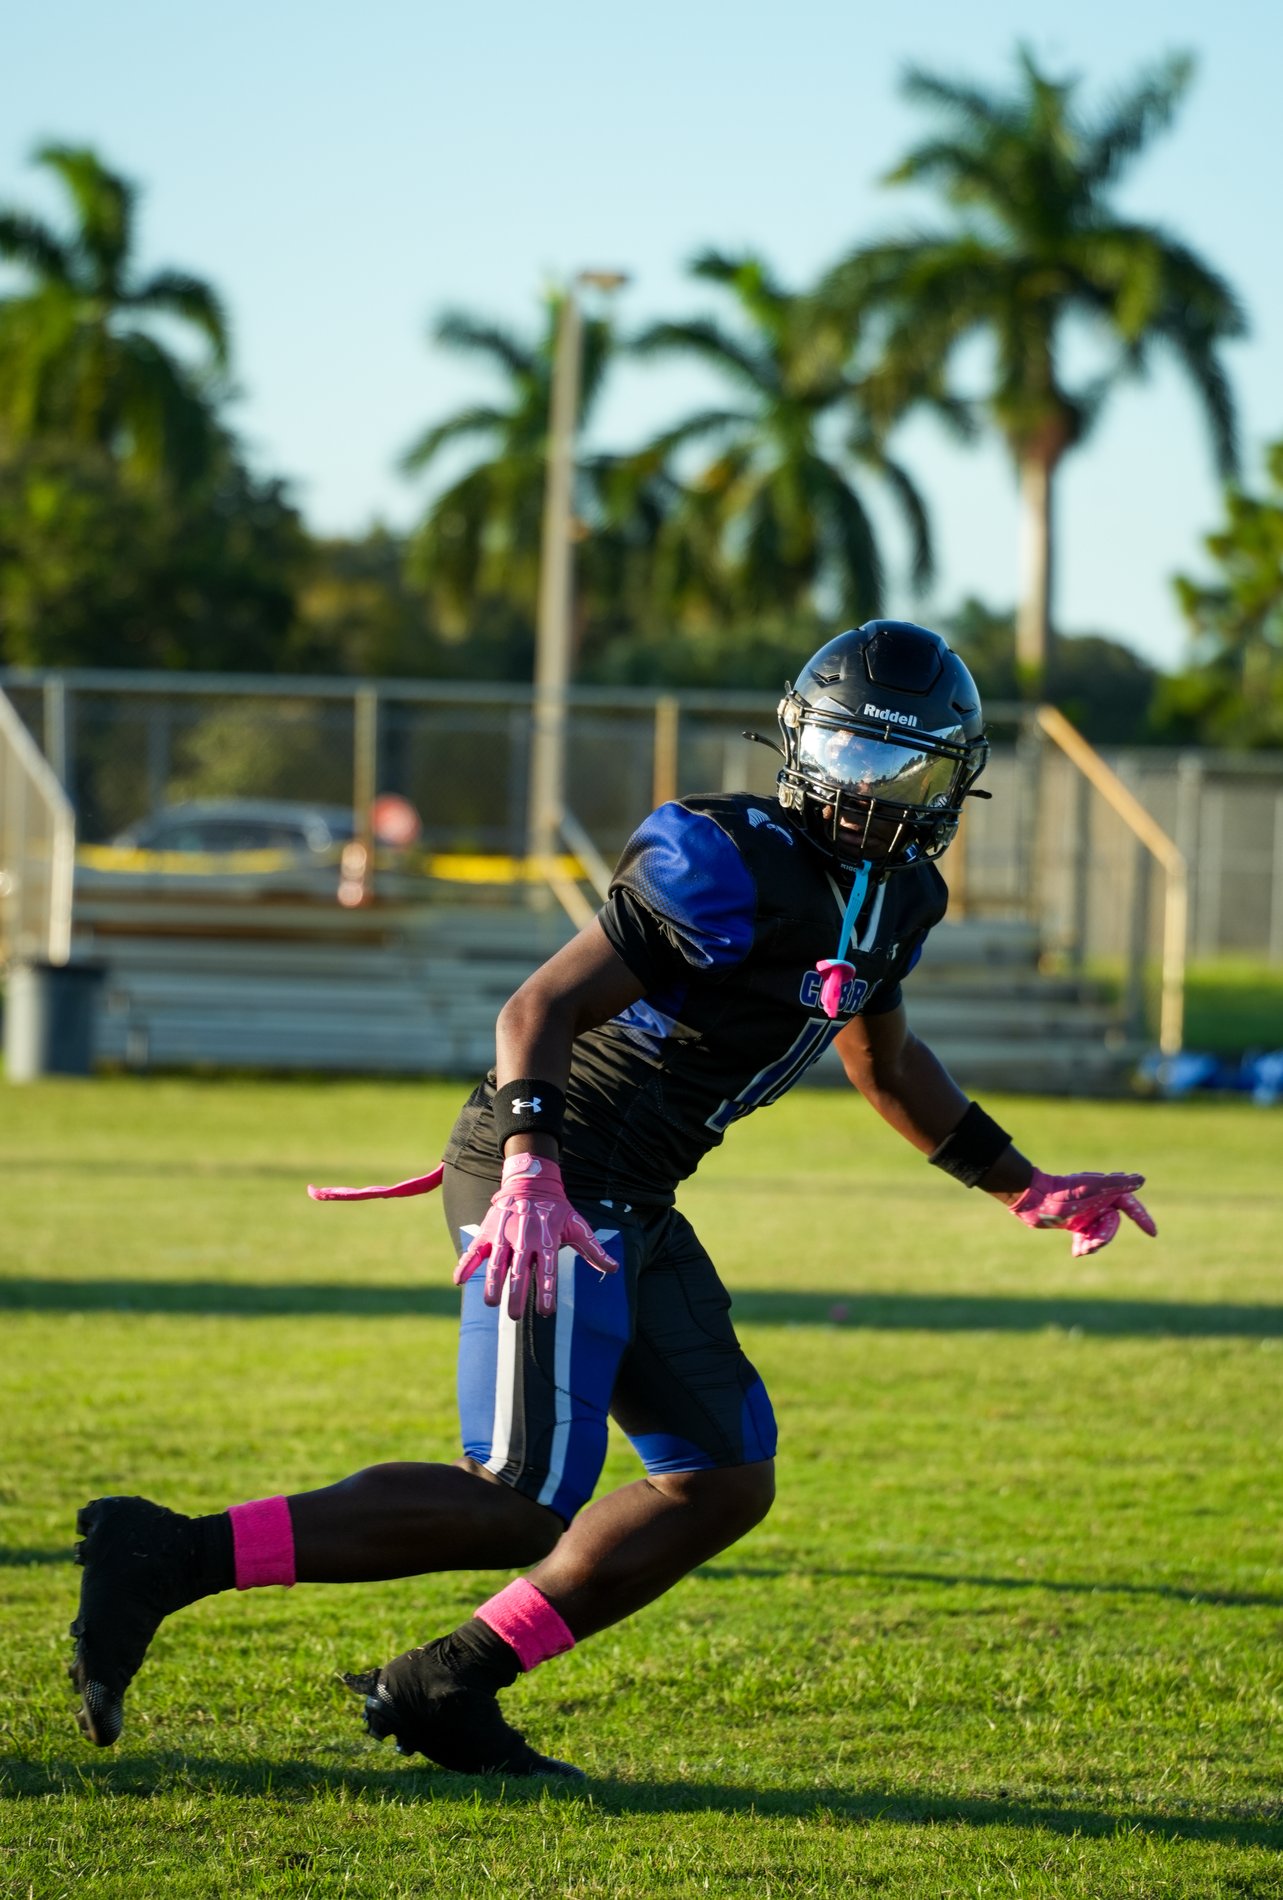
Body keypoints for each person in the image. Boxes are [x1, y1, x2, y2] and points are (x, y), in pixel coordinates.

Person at [69, 620, 1155, 1776]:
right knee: (520, 1493)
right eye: (853, 757)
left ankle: (444, 1681)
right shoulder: (726, 856)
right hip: (545, 1163)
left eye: (908, 771)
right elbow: (534, 1008)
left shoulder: (898, 898)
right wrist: (531, 1170)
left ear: (955, 783)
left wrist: (1022, 1185)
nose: (874, 796)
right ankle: (169, 1553)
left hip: (633, 1190)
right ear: (800, 746)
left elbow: (883, 1064)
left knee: (719, 1479)